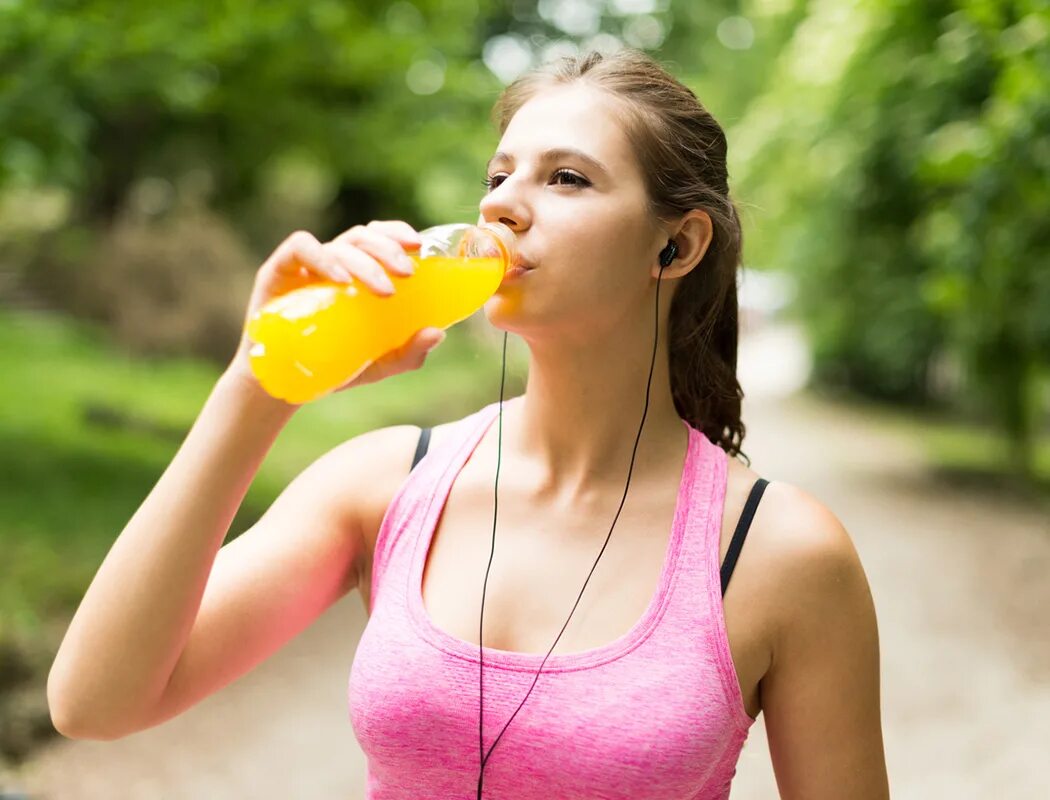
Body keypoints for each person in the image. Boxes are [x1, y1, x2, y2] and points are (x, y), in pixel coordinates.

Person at [48, 48, 889, 798]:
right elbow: (95, 702)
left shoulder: (781, 554)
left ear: (678, 245)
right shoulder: (388, 483)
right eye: (498, 177)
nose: (505, 208)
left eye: (566, 179)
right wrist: (259, 384)